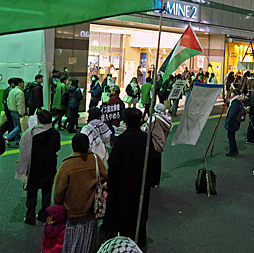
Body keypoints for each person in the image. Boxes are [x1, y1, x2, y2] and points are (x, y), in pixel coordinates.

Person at [103, 108, 152, 249]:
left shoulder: (122, 140)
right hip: (141, 184)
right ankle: (140, 241)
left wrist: (111, 184)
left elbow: (114, 164)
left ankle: (125, 244)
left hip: (123, 185)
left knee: (124, 214)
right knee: (139, 213)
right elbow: (152, 161)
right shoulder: (146, 139)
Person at [54, 133, 107, 253]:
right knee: (89, 239)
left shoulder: (67, 165)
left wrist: (58, 204)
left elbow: (58, 192)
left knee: (73, 240)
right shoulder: (95, 159)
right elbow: (104, 175)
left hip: (72, 211)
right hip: (91, 209)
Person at [16, 109, 61, 226]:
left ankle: (30, 217)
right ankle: (43, 215)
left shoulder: (30, 134)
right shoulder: (54, 133)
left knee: (32, 192)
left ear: (39, 120)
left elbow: (24, 149)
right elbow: (57, 148)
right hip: (49, 166)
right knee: (47, 191)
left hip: (34, 166)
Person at [145, 103, 172, 189]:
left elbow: (146, 130)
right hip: (161, 144)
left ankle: (150, 183)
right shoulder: (167, 119)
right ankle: (156, 182)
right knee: (157, 164)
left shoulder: (154, 119)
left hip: (153, 143)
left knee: (151, 164)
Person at [6, 78, 26, 146]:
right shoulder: (20, 92)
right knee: (19, 127)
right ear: (19, 83)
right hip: (17, 111)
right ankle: (8, 137)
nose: (23, 84)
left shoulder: (12, 91)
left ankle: (18, 140)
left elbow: (8, 101)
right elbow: (20, 104)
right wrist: (22, 113)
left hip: (12, 111)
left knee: (16, 126)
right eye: (22, 82)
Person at [224, 89, 244, 157]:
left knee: (231, 137)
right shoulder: (238, 102)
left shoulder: (235, 103)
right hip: (235, 122)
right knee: (232, 136)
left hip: (233, 123)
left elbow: (232, 114)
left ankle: (233, 151)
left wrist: (228, 122)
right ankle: (234, 150)